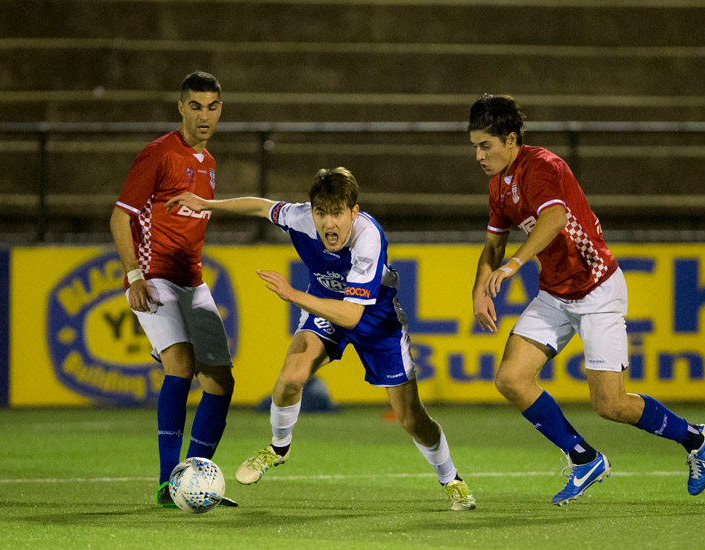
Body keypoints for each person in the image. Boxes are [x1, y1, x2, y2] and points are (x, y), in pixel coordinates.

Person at [164, 167, 477, 511]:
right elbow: (259, 206)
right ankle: (278, 448)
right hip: (326, 309)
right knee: (290, 378)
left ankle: (452, 480)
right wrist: (205, 203)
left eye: (338, 213)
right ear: (311, 211)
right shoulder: (299, 218)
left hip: (377, 322)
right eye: (321, 213)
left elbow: (353, 316)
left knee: (412, 419)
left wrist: (292, 294)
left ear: (353, 212)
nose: (329, 224)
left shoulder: (368, 237)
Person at [468, 94, 705, 506]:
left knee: (610, 404)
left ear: (511, 140)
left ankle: (695, 437)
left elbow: (555, 218)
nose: (478, 155)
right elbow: (492, 244)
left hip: (597, 289)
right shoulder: (499, 185)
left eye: (485, 145)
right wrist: (479, 291)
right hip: (556, 293)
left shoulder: (543, 166)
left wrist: (513, 266)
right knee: (511, 379)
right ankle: (584, 458)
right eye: (474, 146)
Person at [109, 71, 237, 508]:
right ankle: (168, 483)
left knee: (221, 379)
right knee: (180, 364)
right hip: (153, 277)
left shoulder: (210, 164)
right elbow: (119, 217)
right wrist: (133, 276)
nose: (205, 115)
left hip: (192, 281)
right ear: (180, 107)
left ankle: (194, 479)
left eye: (213, 106)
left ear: (221, 110)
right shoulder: (159, 154)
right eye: (196, 106)